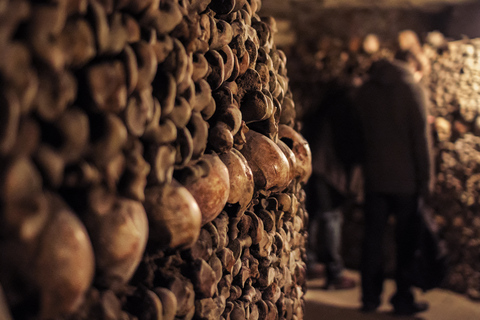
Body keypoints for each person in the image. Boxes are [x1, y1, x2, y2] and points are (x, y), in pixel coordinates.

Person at [355, 49, 434, 315]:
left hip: (375, 178)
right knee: (406, 242)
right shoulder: (412, 89)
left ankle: (369, 298)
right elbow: (421, 139)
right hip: (407, 181)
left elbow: (359, 134)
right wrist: (426, 180)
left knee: (373, 240)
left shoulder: (365, 90)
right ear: (411, 64)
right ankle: (403, 299)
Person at [303, 80, 362, 290]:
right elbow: (348, 144)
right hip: (329, 170)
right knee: (331, 218)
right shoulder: (346, 107)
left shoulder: (324, 105)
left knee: (313, 215)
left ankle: (309, 262)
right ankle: (334, 274)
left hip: (313, 166)